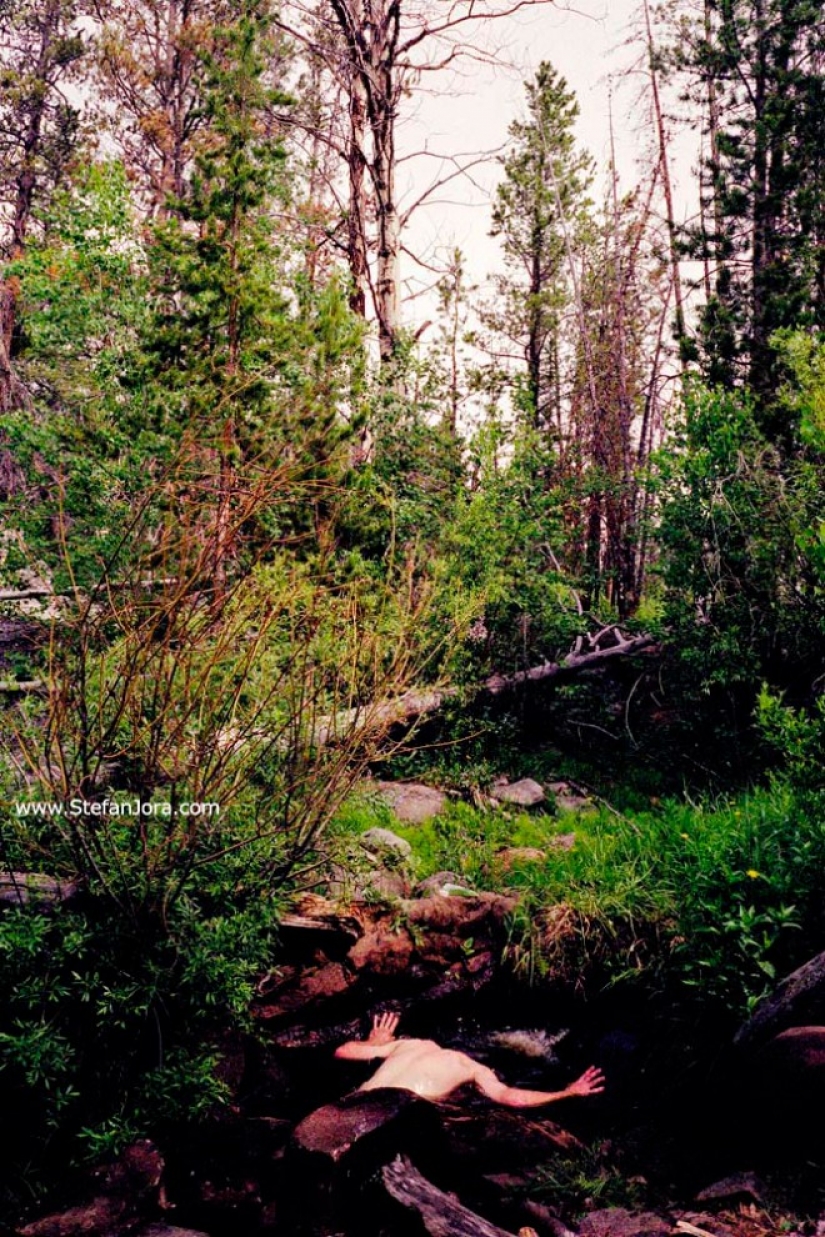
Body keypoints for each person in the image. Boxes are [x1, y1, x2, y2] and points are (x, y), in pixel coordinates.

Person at [335, 1012, 605, 1107]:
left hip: (355, 1101)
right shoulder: (471, 1068)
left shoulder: (408, 1045)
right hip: (392, 1114)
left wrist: (376, 1042)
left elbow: (342, 1052)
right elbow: (511, 1097)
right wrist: (565, 1092)